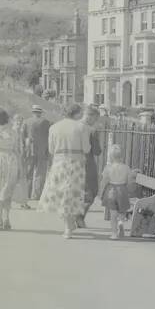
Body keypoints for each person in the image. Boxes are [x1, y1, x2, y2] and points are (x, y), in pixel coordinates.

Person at [37, 102, 90, 239]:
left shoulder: (54, 127)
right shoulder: (82, 127)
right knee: (72, 195)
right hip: (76, 162)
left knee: (62, 194)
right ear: (77, 113)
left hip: (59, 162)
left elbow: (51, 149)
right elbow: (86, 148)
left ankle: (68, 224)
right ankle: (68, 226)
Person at [98, 144, 132, 240]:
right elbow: (129, 181)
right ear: (122, 156)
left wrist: (101, 192)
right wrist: (128, 190)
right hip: (123, 190)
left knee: (113, 215)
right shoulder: (126, 168)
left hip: (111, 190)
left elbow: (104, 180)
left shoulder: (108, 168)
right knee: (122, 211)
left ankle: (114, 233)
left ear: (110, 156)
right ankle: (121, 222)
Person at [80, 105, 104, 228]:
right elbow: (97, 151)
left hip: (72, 163)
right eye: (95, 119)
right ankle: (80, 216)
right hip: (88, 163)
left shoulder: (74, 126)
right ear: (91, 116)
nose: (95, 122)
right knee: (92, 190)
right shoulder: (92, 130)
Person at [27, 105, 52, 201]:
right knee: (40, 173)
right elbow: (49, 137)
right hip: (42, 151)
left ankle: (27, 194)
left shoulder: (27, 122)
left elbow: (22, 137)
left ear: (32, 112)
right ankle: (36, 195)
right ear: (40, 113)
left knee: (28, 173)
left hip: (29, 151)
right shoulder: (46, 123)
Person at [12, 113, 32, 209]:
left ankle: (23, 202)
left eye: (20, 120)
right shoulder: (12, 131)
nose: (19, 122)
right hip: (13, 158)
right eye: (17, 120)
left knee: (22, 180)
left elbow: (23, 145)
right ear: (13, 121)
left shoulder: (21, 131)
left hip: (20, 157)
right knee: (15, 180)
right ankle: (11, 201)